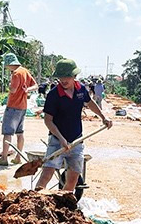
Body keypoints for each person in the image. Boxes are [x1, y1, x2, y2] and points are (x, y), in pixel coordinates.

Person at [36, 59, 112, 192]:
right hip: (57, 141)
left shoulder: (81, 89)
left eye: (67, 77)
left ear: (74, 76)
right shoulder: (53, 95)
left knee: (74, 177)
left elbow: (90, 102)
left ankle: (63, 204)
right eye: (61, 77)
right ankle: (34, 201)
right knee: (47, 173)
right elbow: (48, 120)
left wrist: (103, 117)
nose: (63, 80)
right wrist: (60, 138)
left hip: (77, 140)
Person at [0, 53, 37, 166]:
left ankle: (4, 158)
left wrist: (9, 85)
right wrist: (27, 90)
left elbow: (13, 90)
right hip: (22, 107)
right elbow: (35, 85)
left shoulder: (16, 74)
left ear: (9, 64)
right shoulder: (25, 71)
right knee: (19, 132)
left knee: (7, 133)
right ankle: (18, 157)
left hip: (13, 106)